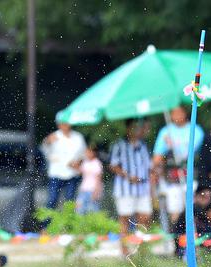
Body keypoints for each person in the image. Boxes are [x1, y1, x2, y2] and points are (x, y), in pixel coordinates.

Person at [152, 105, 204, 235]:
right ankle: (178, 243)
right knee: (175, 212)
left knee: (191, 210)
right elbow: (157, 156)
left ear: (185, 113)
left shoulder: (195, 130)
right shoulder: (165, 131)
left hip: (190, 177)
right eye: (173, 113)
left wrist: (173, 145)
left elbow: (188, 152)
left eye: (179, 113)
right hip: (172, 179)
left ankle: (194, 241)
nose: (176, 116)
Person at [110, 119, 153, 257]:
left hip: (142, 188)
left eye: (138, 128)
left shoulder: (143, 145)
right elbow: (113, 165)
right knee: (124, 219)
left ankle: (140, 247)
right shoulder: (119, 145)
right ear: (128, 129)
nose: (137, 131)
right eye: (134, 128)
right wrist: (128, 176)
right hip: (125, 188)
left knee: (145, 216)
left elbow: (148, 166)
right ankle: (124, 250)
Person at [41, 120, 87, 208]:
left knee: (69, 201)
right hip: (56, 172)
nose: (65, 125)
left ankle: (68, 221)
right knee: (52, 200)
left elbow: (83, 154)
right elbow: (45, 151)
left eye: (66, 123)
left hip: (72, 173)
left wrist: (78, 162)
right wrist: (47, 142)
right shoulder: (54, 136)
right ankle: (47, 221)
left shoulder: (78, 137)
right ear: (59, 125)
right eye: (63, 123)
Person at [76, 145, 103, 214]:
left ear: (94, 153)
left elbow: (99, 179)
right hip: (84, 188)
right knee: (79, 209)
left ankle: (93, 224)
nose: (87, 154)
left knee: (92, 210)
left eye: (89, 152)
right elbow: (79, 171)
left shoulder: (97, 163)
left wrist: (97, 191)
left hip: (93, 190)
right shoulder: (85, 162)